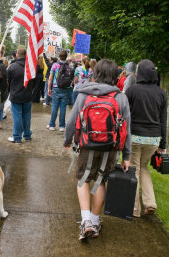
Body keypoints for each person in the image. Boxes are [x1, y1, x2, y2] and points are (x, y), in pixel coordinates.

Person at [63, 59, 131, 240]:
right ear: (114, 75)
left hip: (86, 144)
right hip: (110, 147)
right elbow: (126, 129)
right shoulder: (121, 98)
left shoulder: (84, 95)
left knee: (83, 178)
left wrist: (67, 140)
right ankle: (94, 220)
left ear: (96, 73)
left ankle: (85, 221)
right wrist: (126, 155)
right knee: (100, 180)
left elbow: (71, 122)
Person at [125, 59, 167, 217]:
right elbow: (163, 120)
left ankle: (134, 209)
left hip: (135, 137)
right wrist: (163, 145)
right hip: (154, 139)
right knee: (143, 167)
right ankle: (150, 203)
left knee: (134, 170)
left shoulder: (132, 91)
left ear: (139, 72)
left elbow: (125, 114)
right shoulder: (161, 93)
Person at [7, 47, 34, 143]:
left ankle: (17, 137)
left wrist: (10, 91)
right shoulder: (30, 67)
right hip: (27, 95)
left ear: (17, 54)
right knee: (27, 116)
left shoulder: (12, 67)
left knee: (17, 116)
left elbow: (7, 81)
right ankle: (27, 135)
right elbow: (34, 81)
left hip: (16, 95)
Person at [47, 50, 72, 132]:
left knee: (54, 106)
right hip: (66, 89)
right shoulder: (69, 66)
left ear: (59, 56)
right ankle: (62, 126)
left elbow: (50, 78)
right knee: (63, 108)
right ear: (66, 57)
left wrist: (49, 88)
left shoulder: (55, 65)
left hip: (56, 88)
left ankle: (52, 125)